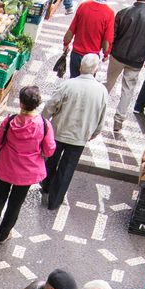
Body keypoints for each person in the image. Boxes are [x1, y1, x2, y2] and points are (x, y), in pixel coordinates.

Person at [0, 85, 55, 251]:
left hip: (5, 168)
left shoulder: (10, 121)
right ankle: (4, 234)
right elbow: (49, 150)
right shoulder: (44, 125)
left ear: (21, 103)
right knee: (15, 203)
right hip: (26, 174)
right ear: (37, 104)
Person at [41, 55, 107, 210]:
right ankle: (54, 201)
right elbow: (101, 116)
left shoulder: (68, 85)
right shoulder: (101, 91)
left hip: (59, 131)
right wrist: (95, 132)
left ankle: (46, 187)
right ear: (96, 70)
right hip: (80, 136)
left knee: (51, 161)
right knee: (67, 169)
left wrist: (43, 121)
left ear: (80, 67)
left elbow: (51, 105)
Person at [106, 0, 145, 134]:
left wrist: (109, 50)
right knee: (128, 90)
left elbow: (113, 35)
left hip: (117, 55)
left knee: (108, 84)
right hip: (136, 60)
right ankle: (118, 120)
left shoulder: (123, 12)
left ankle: (96, 111)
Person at [62, 0, 115, 78]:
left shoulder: (84, 6)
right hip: (92, 57)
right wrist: (106, 54)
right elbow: (107, 39)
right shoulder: (109, 13)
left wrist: (66, 44)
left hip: (76, 53)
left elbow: (72, 28)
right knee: (87, 82)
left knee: (73, 79)